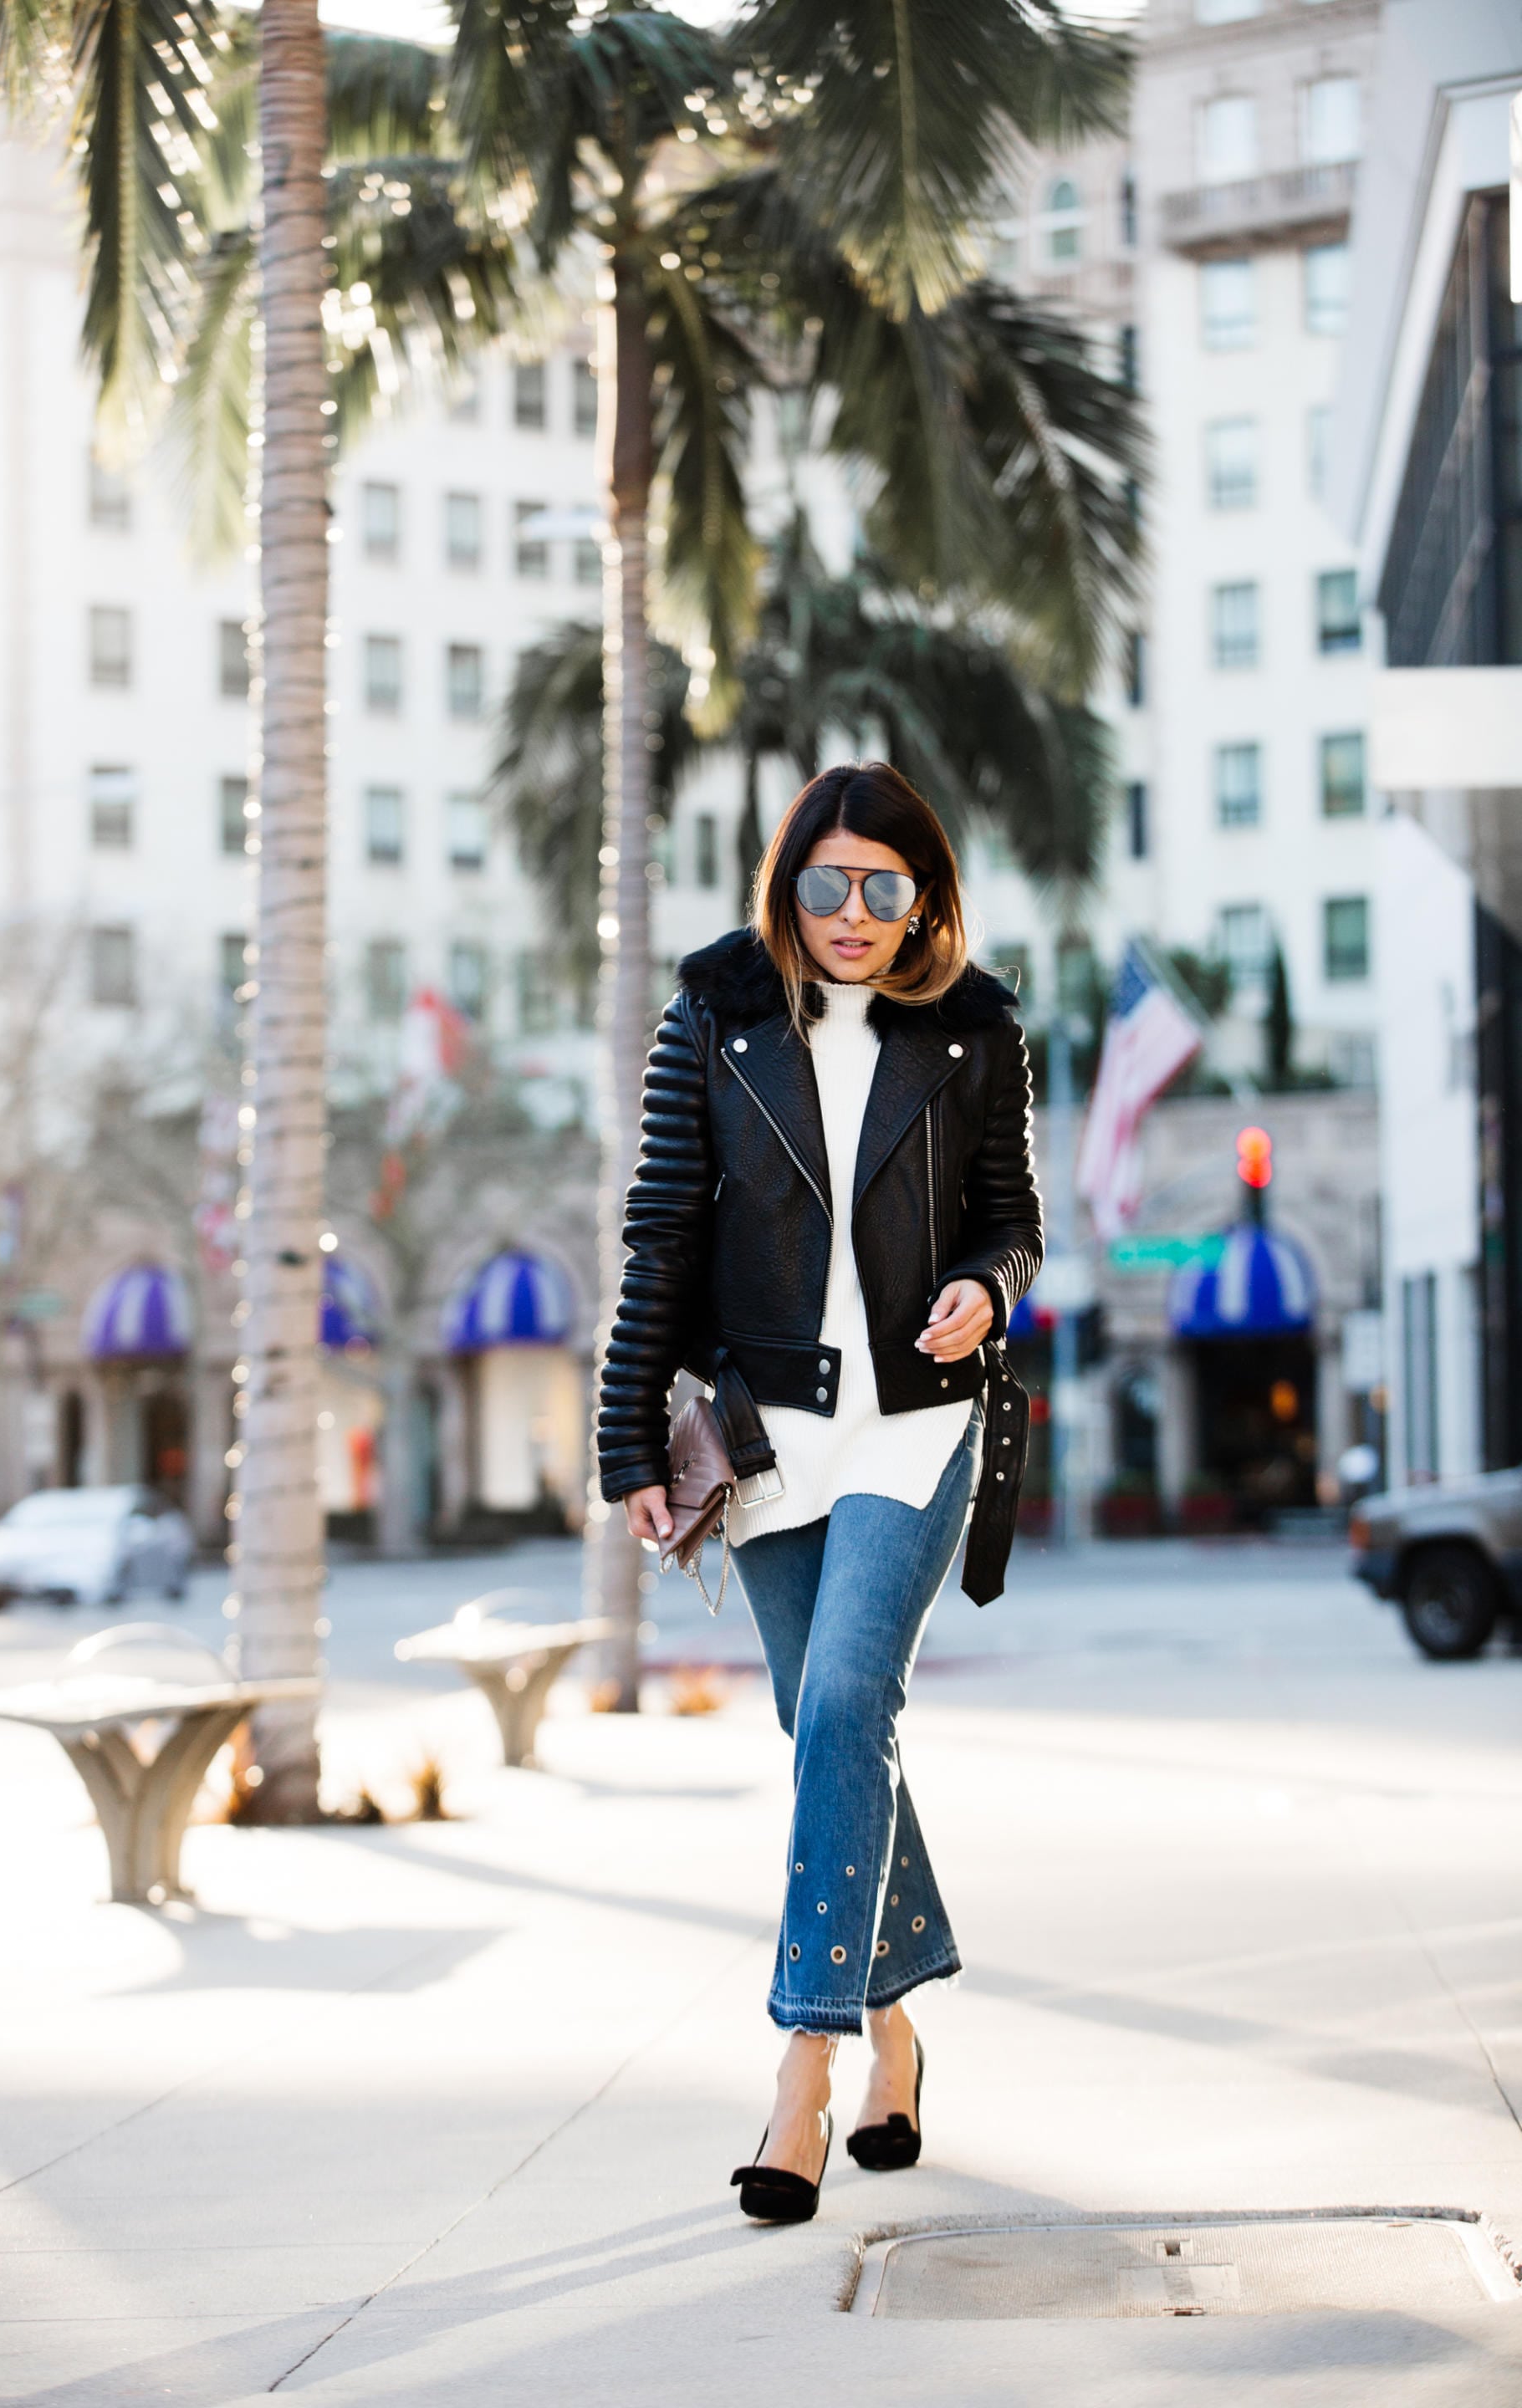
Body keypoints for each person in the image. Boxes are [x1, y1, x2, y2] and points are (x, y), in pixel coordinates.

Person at [598, 762, 1043, 2222]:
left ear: (926, 896)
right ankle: (903, 2025)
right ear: (786, 886)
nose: (854, 915)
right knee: (818, 1725)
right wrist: (626, 1448)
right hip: (771, 1425)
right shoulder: (715, 1016)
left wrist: (986, 1288)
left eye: (886, 887)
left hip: (916, 1423)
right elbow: (660, 1232)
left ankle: (807, 2063)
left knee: (851, 1703)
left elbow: (1011, 1224)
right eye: (826, 884)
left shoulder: (978, 1029)